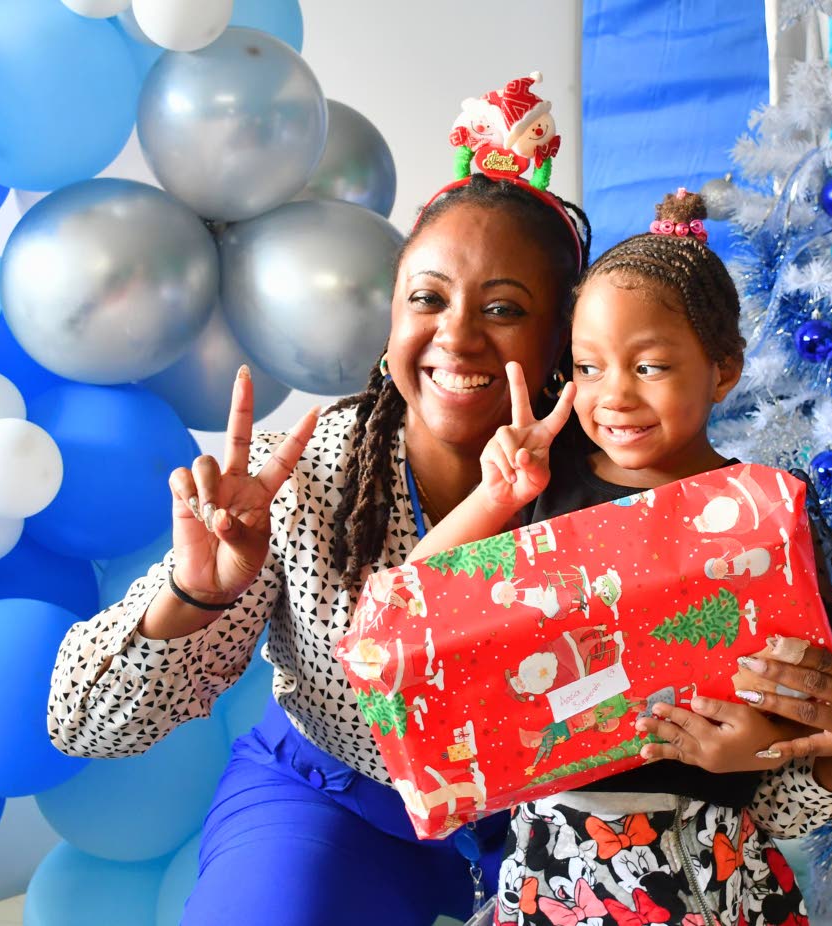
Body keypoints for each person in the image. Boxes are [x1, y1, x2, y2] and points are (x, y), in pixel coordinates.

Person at [46, 164, 592, 926]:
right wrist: (196, 592)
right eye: (427, 298)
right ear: (392, 323)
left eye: (503, 308)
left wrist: (822, 766)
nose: (457, 334)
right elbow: (82, 723)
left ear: (558, 341)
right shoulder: (298, 482)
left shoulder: (611, 496)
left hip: (552, 825)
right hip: (333, 805)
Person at [405, 189, 832, 926]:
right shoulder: (541, 500)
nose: (613, 395)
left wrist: (764, 746)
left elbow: (818, 709)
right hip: (553, 869)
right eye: (587, 367)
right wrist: (492, 498)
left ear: (723, 369)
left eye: (648, 367)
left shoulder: (769, 517)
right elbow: (411, 609)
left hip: (709, 869)